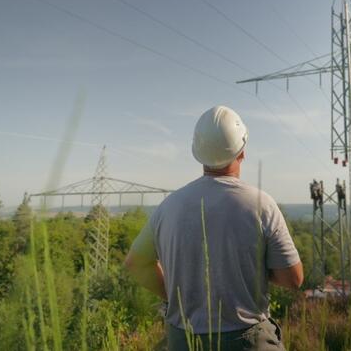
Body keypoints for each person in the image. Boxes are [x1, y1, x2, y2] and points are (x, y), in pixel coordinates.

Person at [124, 105, 303, 351]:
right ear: (242, 152)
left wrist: (176, 297)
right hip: (247, 341)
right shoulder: (261, 205)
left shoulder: (168, 207)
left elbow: (135, 263)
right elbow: (293, 278)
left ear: (198, 153)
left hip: (183, 340)